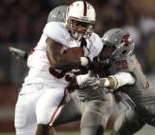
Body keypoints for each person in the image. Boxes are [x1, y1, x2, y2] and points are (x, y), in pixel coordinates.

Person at [14, 1, 105, 135]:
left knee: (44, 122)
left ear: (92, 25)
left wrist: (97, 75)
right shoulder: (56, 29)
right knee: (24, 129)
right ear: (67, 20)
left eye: (85, 24)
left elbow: (98, 70)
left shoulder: (94, 42)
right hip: (32, 86)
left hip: (57, 89)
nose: (80, 28)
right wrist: (86, 61)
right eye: (76, 23)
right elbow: (55, 61)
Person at [84, 28, 155, 135]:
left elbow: (123, 78)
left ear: (123, 50)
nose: (104, 52)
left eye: (109, 49)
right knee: (117, 132)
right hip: (138, 111)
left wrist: (104, 82)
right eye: (104, 47)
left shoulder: (127, 64)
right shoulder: (111, 63)